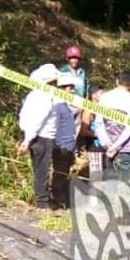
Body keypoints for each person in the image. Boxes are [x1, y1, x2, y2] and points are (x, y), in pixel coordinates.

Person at [18, 64, 60, 209]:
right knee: (42, 171)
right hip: (42, 137)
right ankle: (41, 204)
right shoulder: (44, 97)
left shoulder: (35, 94)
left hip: (35, 135)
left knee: (39, 170)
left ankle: (40, 201)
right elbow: (37, 119)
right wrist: (27, 139)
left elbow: (25, 116)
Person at [95, 71, 130, 171]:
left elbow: (98, 123)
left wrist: (107, 144)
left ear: (117, 81)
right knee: (126, 183)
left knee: (110, 182)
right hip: (126, 149)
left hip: (107, 147)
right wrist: (115, 147)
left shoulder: (105, 97)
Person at [52, 73, 80, 207]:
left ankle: (62, 199)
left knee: (64, 174)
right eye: (70, 88)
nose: (73, 90)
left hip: (69, 146)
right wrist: (58, 145)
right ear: (62, 89)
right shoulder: (57, 106)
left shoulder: (66, 105)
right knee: (59, 174)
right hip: (61, 146)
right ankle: (57, 199)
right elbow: (55, 127)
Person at [60, 45, 90, 151]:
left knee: (76, 128)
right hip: (66, 104)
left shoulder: (82, 72)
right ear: (68, 59)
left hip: (79, 104)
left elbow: (86, 86)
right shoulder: (63, 71)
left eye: (76, 58)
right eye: (72, 58)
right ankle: (64, 148)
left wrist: (86, 99)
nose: (74, 60)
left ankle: (73, 149)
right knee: (65, 127)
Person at [85, 87, 106, 176]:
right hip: (94, 147)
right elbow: (83, 130)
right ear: (93, 96)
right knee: (96, 176)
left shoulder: (105, 109)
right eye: (101, 93)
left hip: (106, 146)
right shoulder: (89, 110)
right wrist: (98, 134)